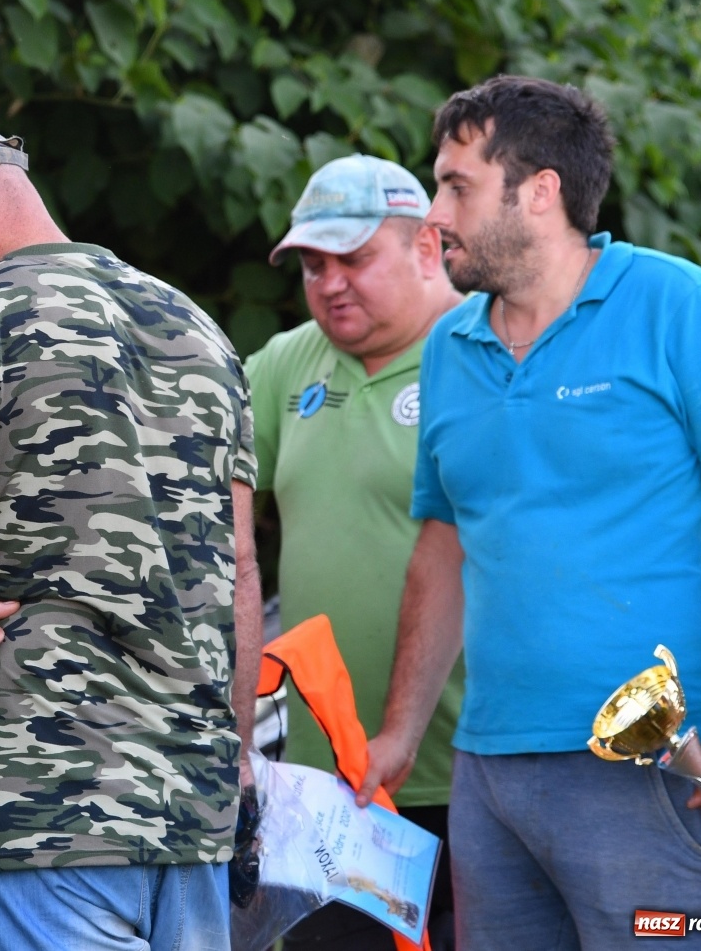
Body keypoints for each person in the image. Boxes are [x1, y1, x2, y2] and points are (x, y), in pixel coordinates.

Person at [358, 75, 701, 948]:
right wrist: (399, 732)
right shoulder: (450, 344)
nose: (435, 214)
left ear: (541, 191)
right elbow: (443, 547)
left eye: (456, 185)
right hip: (489, 772)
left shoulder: (681, 306)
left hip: (653, 765)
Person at [0, 99, 261, 951]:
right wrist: (234, 765)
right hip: (192, 819)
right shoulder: (198, 330)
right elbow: (240, 567)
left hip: (39, 817)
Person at [245, 153, 463, 949]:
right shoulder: (285, 365)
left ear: (428, 248)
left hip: (471, 771)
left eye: (356, 258)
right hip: (331, 784)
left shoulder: (483, 353)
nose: (331, 282)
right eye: (313, 264)